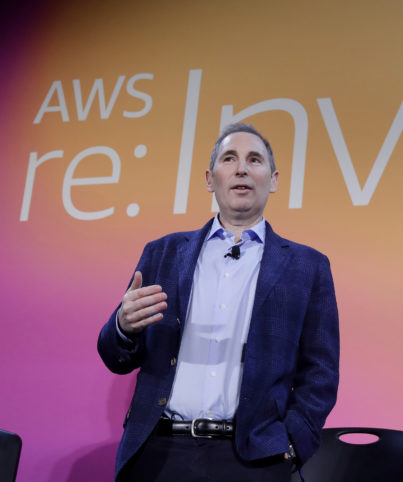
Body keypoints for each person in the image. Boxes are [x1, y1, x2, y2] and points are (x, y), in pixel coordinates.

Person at [97, 122, 340, 482]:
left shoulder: (308, 267)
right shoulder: (163, 254)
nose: (241, 168)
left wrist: (291, 443)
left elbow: (321, 371)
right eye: (229, 159)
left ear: (273, 181)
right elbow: (115, 356)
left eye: (254, 160)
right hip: (158, 453)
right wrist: (123, 326)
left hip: (253, 460)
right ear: (210, 180)